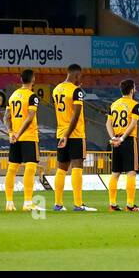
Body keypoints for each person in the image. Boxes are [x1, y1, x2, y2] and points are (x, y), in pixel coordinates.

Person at [3, 68, 40, 212]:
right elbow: (30, 117)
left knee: (12, 169)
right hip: (28, 136)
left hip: (14, 138)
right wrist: (18, 133)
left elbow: (6, 117)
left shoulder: (12, 96)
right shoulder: (32, 96)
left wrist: (11, 132)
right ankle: (27, 202)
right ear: (33, 80)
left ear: (21, 80)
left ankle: (9, 203)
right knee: (30, 168)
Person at [52, 64, 87, 211]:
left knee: (61, 168)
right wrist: (67, 134)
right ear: (77, 75)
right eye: (81, 76)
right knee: (77, 166)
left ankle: (58, 204)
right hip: (74, 134)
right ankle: (78, 204)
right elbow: (76, 114)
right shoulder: (76, 91)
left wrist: (63, 134)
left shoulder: (56, 89)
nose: (81, 79)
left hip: (60, 132)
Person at [107, 79, 139, 211]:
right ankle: (130, 204)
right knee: (131, 173)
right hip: (127, 140)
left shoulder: (113, 104)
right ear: (132, 89)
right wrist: (122, 138)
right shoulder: (134, 105)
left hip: (115, 141)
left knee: (115, 173)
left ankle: (112, 203)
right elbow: (133, 123)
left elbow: (107, 123)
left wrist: (113, 138)